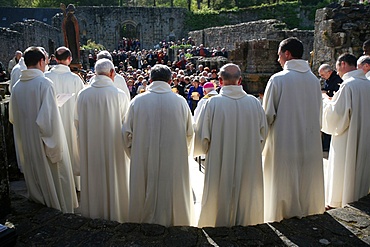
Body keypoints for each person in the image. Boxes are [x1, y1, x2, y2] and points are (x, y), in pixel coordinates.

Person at [194, 64, 268, 227]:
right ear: (240, 80)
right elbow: (263, 135)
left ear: (219, 81)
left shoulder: (212, 104)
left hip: (220, 160)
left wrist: (206, 151)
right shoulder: (254, 103)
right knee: (245, 196)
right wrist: (253, 150)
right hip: (247, 159)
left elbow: (202, 137)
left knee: (219, 193)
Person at [122, 64, 194, 227]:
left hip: (144, 157)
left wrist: (135, 153)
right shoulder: (180, 102)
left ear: (150, 80)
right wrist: (182, 151)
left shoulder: (137, 101)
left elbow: (126, 133)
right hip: (173, 158)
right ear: (170, 80)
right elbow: (190, 133)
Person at [262, 37, 325, 222]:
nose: (278, 60)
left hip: (284, 140)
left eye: (279, 55)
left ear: (287, 54)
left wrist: (260, 140)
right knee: (306, 178)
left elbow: (267, 115)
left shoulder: (278, 79)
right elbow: (319, 112)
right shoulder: (314, 80)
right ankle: (308, 208)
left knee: (283, 178)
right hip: (309, 140)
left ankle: (282, 212)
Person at [9, 46, 78, 213]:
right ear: (41, 61)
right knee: (53, 181)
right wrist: (55, 148)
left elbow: (12, 117)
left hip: (27, 139)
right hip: (43, 142)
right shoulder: (44, 84)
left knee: (35, 177)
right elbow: (48, 122)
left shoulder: (17, 86)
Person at [75, 58, 130, 222]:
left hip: (90, 146)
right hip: (114, 149)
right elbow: (126, 125)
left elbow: (77, 123)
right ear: (112, 73)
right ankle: (116, 213)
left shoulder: (83, 95)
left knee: (94, 179)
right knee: (114, 181)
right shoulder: (119, 95)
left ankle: (93, 212)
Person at [322, 53, 370, 209]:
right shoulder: (366, 83)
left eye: (337, 67)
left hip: (347, 136)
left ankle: (339, 201)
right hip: (364, 134)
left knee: (344, 169)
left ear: (342, 64)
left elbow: (336, 116)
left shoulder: (348, 85)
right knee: (359, 168)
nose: (337, 71)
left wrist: (325, 102)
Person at [45, 46, 84, 191]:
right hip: (71, 122)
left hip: (51, 123)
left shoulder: (46, 78)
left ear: (55, 59)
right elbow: (82, 104)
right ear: (70, 59)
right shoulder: (75, 79)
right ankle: (75, 184)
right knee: (73, 147)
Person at [318, 63, 342, 152]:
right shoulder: (327, 79)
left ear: (329, 72)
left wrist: (328, 97)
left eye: (323, 75)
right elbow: (324, 89)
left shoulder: (337, 79)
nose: (322, 77)